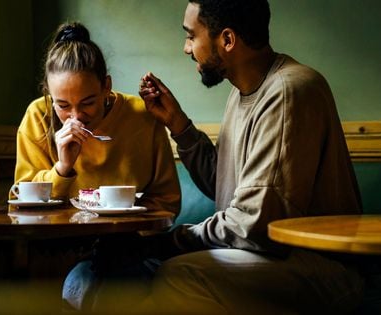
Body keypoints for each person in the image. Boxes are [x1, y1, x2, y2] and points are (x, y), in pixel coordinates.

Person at [64, 1, 364, 313]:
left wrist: (162, 244)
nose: (186, 48)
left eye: (191, 36)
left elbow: (253, 224)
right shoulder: (243, 92)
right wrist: (179, 125)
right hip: (266, 257)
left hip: (320, 269)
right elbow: (227, 185)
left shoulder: (288, 92)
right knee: (102, 276)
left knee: (180, 275)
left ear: (228, 40)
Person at [14, 22, 180, 213]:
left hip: (126, 237)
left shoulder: (142, 116)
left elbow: (167, 201)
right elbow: (22, 204)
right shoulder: (37, 116)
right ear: (49, 93)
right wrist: (62, 167)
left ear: (106, 87)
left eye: (88, 103)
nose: (76, 116)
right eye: (63, 105)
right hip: (56, 238)